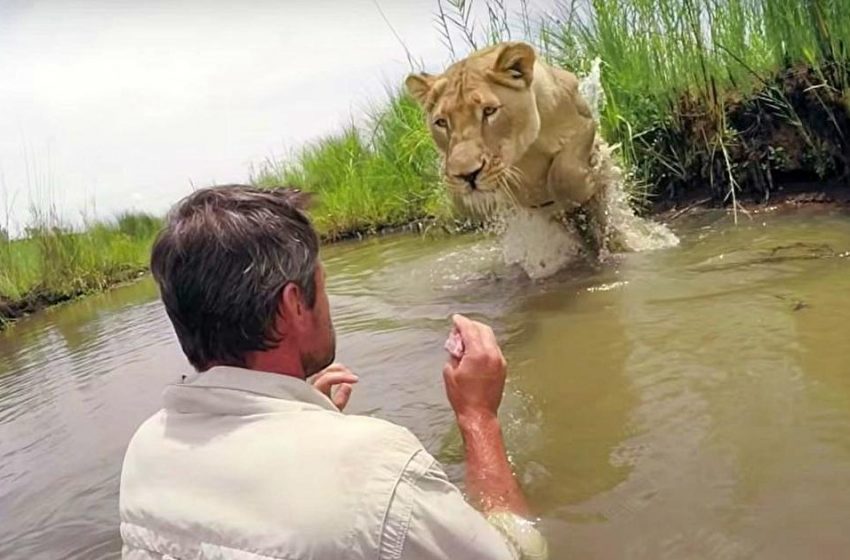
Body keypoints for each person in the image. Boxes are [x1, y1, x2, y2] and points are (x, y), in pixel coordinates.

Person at [119, 185, 547, 559]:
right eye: (323, 286)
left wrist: (310, 419)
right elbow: (519, 554)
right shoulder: (375, 466)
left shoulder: (145, 450)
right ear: (292, 306)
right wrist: (478, 415)